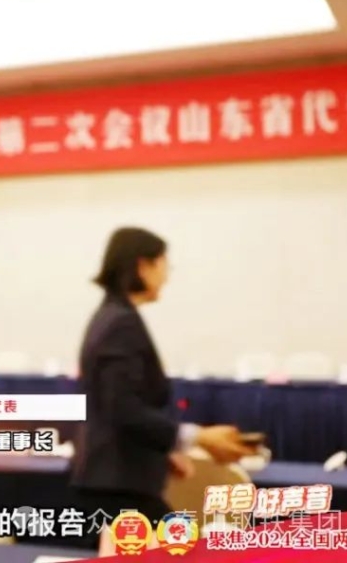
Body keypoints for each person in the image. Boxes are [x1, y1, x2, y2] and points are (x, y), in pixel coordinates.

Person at [69, 227, 256, 545]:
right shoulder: (120, 323)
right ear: (143, 266)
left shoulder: (114, 316)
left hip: (117, 480)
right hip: (116, 484)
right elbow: (122, 408)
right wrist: (196, 437)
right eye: (164, 266)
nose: (167, 277)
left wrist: (166, 450)